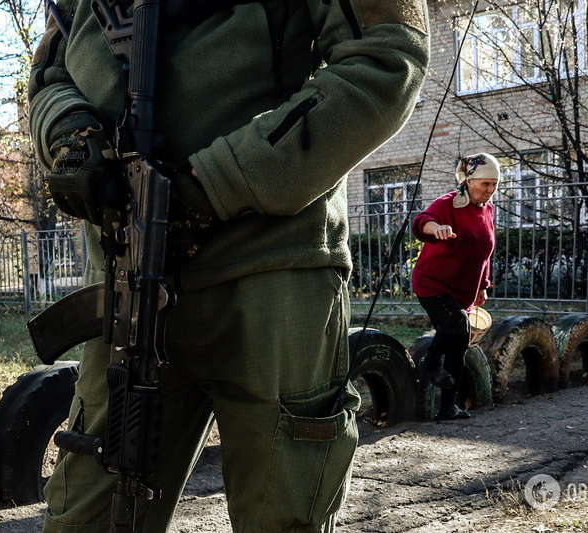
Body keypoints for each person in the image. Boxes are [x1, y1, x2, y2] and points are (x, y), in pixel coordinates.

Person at [28, 1, 429, 532]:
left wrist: (213, 184)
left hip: (271, 273)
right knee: (88, 517)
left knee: (282, 516)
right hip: (128, 276)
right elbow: (49, 73)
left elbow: (386, 59)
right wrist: (70, 135)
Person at [411, 153, 499, 421]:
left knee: (459, 345)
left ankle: (448, 407)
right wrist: (435, 228)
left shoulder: (488, 209)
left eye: (494, 185)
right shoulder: (449, 203)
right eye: (485, 184)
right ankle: (429, 363)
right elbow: (421, 221)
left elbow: (484, 251)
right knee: (456, 326)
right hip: (432, 283)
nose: (490, 190)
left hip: (463, 290)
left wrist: (483, 285)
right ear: (469, 180)